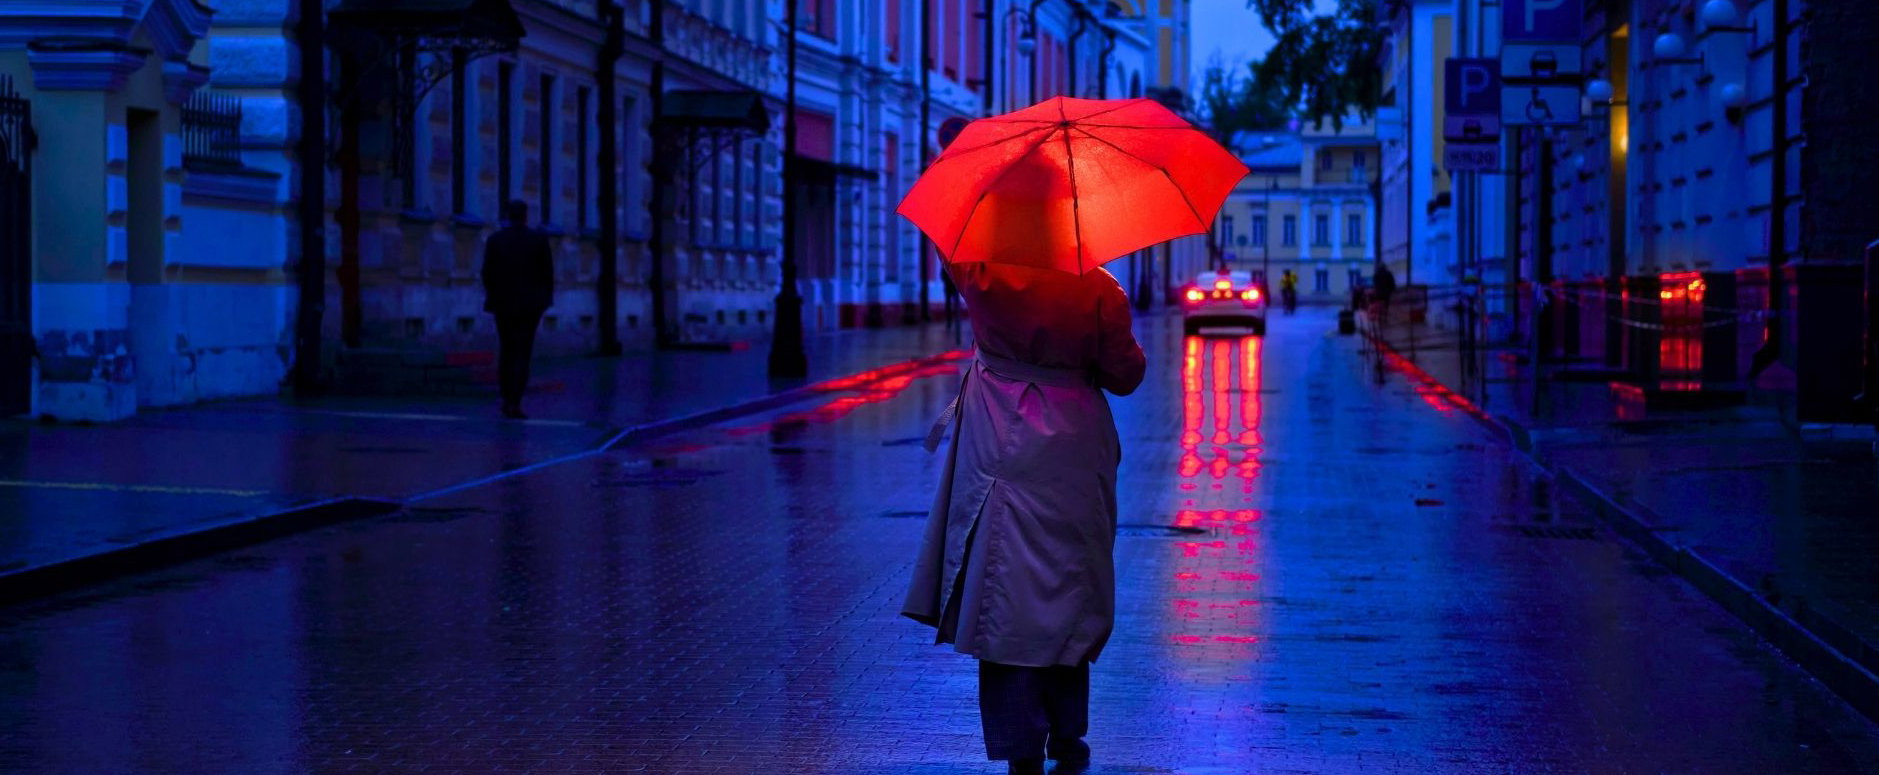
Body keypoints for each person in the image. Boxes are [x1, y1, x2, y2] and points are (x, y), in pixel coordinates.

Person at [904, 262, 1146, 775]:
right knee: (1068, 590)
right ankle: (1067, 737)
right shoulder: (1098, 287)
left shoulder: (982, 271)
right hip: (1073, 449)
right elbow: (1127, 375)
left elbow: (956, 268)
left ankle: (1020, 748)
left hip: (994, 439)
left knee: (1004, 596)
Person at [480, 200, 554, 419]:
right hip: (531, 306)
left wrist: (494, 295)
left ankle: (506, 399)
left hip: (503, 304)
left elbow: (487, 273)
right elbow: (547, 274)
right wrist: (543, 301)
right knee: (523, 352)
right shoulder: (538, 240)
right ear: (525, 216)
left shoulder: (496, 240)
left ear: (507, 215)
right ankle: (515, 402)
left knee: (507, 350)